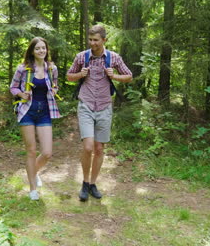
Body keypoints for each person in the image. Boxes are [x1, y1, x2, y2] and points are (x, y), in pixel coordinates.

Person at [67, 25, 132, 201]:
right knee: (88, 147)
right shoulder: (82, 57)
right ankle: (85, 182)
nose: (92, 43)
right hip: (86, 105)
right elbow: (69, 76)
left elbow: (129, 76)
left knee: (99, 148)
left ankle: (93, 184)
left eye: (96, 40)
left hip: (104, 106)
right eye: (90, 40)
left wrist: (115, 76)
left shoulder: (114, 58)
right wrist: (80, 73)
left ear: (104, 40)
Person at [10, 37, 61, 200]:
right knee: (31, 151)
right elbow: (13, 87)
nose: (41, 51)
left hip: (45, 112)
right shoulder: (23, 69)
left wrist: (53, 90)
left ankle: (34, 172)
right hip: (27, 111)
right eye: (38, 48)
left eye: (43, 48)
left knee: (46, 153)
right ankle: (33, 189)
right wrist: (20, 93)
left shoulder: (52, 68)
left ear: (47, 50)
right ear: (32, 51)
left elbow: (55, 85)